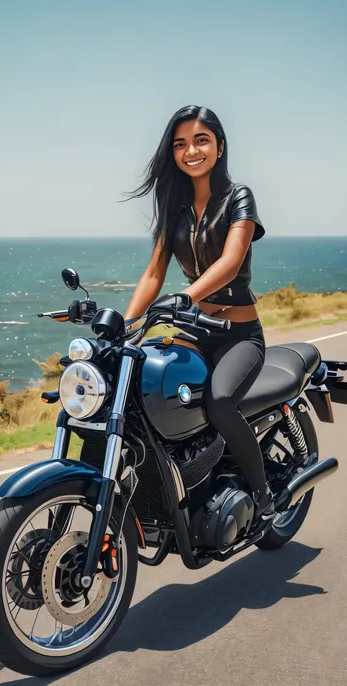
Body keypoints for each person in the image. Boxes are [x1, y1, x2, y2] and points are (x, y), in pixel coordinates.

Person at [123, 105, 274, 519]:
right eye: (180, 143)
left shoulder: (238, 197)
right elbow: (154, 273)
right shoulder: (175, 206)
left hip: (238, 336)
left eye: (201, 140)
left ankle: (263, 496)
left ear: (220, 147)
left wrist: (186, 296)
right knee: (150, 393)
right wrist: (125, 325)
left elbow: (230, 259)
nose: (191, 150)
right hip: (195, 334)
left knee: (220, 401)